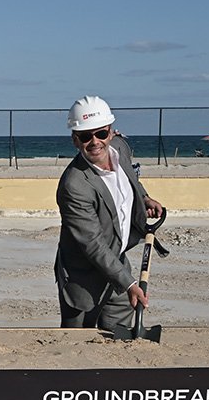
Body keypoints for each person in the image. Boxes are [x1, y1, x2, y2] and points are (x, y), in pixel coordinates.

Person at [56, 95, 164, 330]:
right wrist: (128, 283)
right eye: (86, 136)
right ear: (75, 140)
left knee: (118, 334)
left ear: (111, 132)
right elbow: (93, 245)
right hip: (83, 274)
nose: (95, 142)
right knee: (78, 340)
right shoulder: (74, 186)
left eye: (101, 133)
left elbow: (129, 176)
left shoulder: (119, 148)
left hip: (117, 260)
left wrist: (143, 197)